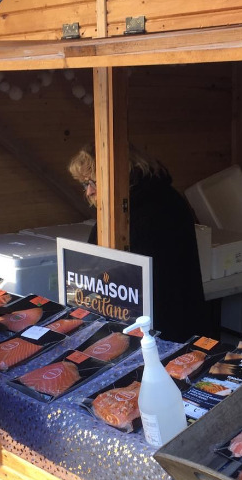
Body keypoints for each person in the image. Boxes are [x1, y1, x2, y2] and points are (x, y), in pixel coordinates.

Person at [68, 145, 213, 342]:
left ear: (120, 176)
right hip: (170, 317)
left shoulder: (146, 209)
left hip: (162, 324)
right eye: (85, 184)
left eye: (93, 182)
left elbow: (142, 276)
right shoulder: (151, 198)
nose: (89, 192)